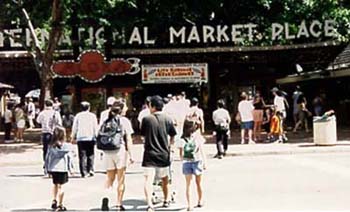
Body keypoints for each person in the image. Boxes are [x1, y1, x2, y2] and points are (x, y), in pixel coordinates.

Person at [140, 95, 177, 212]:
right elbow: (173, 135)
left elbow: (142, 136)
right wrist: (171, 146)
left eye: (150, 105)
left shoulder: (146, 119)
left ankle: (150, 204)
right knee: (165, 179)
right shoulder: (168, 119)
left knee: (148, 180)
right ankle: (166, 200)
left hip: (149, 153)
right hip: (163, 153)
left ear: (153, 106)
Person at [100, 99, 135, 211]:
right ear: (121, 109)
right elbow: (128, 139)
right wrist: (131, 154)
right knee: (121, 179)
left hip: (107, 151)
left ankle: (105, 198)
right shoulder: (124, 121)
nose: (127, 109)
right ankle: (119, 204)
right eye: (125, 107)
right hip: (120, 151)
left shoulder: (107, 119)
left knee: (109, 178)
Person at [178, 119, 206, 211]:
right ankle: (200, 200)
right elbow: (202, 150)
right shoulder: (197, 137)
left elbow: (181, 154)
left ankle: (189, 205)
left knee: (188, 184)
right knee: (199, 183)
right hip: (197, 161)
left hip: (186, 162)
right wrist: (205, 162)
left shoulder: (182, 139)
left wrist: (183, 160)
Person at [45, 126, 74, 211]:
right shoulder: (66, 146)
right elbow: (69, 158)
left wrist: (47, 168)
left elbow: (47, 157)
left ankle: (54, 200)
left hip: (53, 168)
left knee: (55, 184)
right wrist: (71, 168)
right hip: (63, 168)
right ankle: (60, 204)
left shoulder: (51, 146)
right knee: (61, 186)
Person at [71, 101, 98, 178]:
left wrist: (72, 136)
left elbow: (74, 127)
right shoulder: (92, 116)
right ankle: (91, 170)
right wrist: (96, 135)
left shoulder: (78, 116)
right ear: (89, 108)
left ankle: (84, 172)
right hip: (91, 137)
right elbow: (95, 126)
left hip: (81, 138)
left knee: (82, 155)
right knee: (91, 154)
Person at [37, 100, 62, 164]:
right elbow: (59, 123)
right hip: (54, 133)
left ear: (45, 105)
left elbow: (38, 121)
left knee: (46, 149)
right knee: (55, 148)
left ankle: (46, 163)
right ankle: (53, 163)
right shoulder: (56, 113)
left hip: (45, 133)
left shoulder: (42, 113)